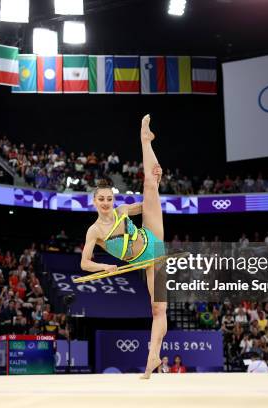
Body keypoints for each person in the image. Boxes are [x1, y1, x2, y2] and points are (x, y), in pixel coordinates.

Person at [81, 114, 165, 379]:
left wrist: (154, 190)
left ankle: (145, 139)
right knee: (155, 309)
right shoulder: (94, 231)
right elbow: (84, 264)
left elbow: (146, 204)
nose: (106, 202)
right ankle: (153, 357)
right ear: (94, 202)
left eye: (108, 198)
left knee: (151, 183)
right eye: (101, 199)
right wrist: (104, 266)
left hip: (154, 240)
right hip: (145, 259)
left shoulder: (122, 210)